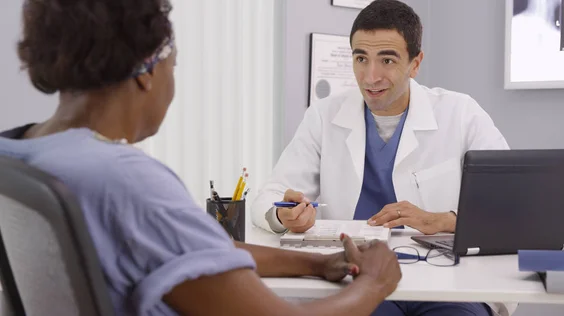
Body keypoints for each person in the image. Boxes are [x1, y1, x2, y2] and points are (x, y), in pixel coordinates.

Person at [0, 0, 402, 315]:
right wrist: (375, 283)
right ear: (148, 70)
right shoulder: (126, 182)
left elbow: (199, 251)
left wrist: (315, 264)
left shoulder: (20, 150)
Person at [252, 0, 513, 315]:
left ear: (415, 63)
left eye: (387, 60)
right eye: (361, 58)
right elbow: (270, 197)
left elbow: (513, 207)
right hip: (361, 280)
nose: (370, 76)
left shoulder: (461, 113)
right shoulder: (324, 115)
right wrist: (284, 215)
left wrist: (444, 220)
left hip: (446, 281)